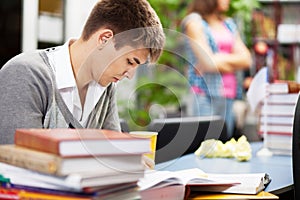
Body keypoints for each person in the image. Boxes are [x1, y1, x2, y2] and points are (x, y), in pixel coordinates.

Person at [0, 0, 165, 144]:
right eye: (130, 61)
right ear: (105, 39)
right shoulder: (26, 74)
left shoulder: (105, 87)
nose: (129, 75)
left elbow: (112, 156)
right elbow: (22, 164)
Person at [181, 0, 251, 140]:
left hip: (228, 95)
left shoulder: (228, 24)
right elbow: (209, 63)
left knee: (224, 145)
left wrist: (216, 58)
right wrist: (231, 61)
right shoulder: (194, 22)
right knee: (205, 146)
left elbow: (247, 60)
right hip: (205, 95)